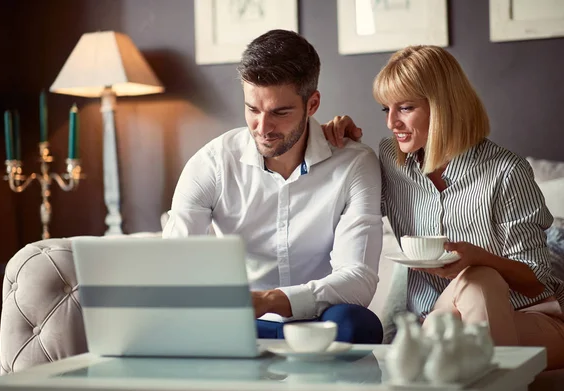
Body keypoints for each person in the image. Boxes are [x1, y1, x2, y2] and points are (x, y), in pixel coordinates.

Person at [323, 45, 564, 369]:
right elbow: (341, 209)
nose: (392, 122)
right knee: (452, 324)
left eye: (405, 108)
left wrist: (478, 258)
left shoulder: (505, 171)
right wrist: (338, 146)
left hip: (530, 316)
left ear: (443, 106)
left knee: (479, 280)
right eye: (386, 109)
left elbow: (536, 279)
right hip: (436, 315)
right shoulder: (391, 162)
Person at [163, 29, 384, 344]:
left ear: (312, 104)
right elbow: (174, 263)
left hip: (319, 321)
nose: (263, 128)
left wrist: (268, 300)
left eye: (280, 113)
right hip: (237, 321)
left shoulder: (353, 163)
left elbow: (358, 279)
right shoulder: (212, 163)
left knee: (356, 323)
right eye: (253, 110)